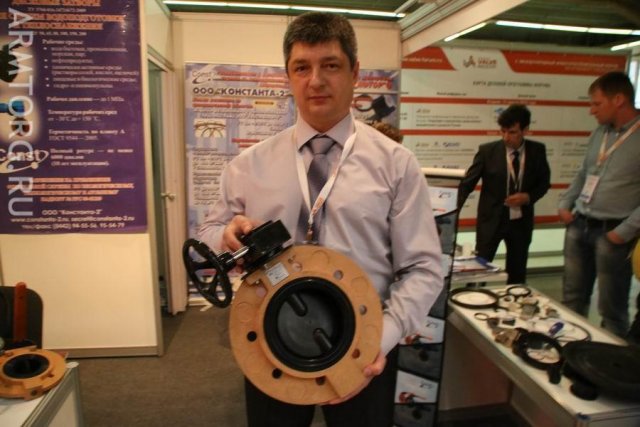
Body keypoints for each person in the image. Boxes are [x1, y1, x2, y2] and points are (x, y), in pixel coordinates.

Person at [198, 12, 443, 427]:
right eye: (302, 68)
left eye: (330, 65)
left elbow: (423, 267)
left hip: (364, 345)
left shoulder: (396, 165)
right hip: (270, 341)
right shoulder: (248, 166)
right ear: (288, 76)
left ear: (355, 72)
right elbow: (207, 233)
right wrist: (227, 236)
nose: (315, 80)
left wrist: (380, 338)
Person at [558, 71, 640, 338]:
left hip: (613, 233)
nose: (591, 110)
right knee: (571, 299)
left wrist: (623, 232)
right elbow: (585, 173)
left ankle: (611, 359)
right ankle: (571, 350)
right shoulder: (599, 133)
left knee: (611, 310)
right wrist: (565, 203)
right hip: (579, 225)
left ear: (619, 99)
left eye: (597, 103)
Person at [457, 104, 551, 284]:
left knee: (517, 272)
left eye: (512, 132)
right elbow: (467, 184)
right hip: (491, 221)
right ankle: (474, 297)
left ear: (525, 130)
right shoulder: (487, 151)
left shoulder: (537, 151)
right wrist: (452, 213)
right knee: (479, 272)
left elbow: (544, 183)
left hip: (520, 222)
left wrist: (528, 197)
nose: (506, 137)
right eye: (503, 131)